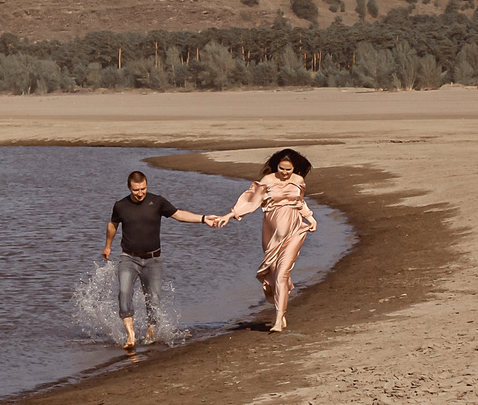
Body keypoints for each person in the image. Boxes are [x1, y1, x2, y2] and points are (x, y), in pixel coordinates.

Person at [102, 170, 210, 351]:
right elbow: (112, 224)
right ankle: (131, 334)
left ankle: (151, 331)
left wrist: (204, 219)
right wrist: (107, 246)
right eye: (136, 190)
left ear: (146, 185)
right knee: (124, 292)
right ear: (129, 187)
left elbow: (178, 214)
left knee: (153, 301)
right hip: (128, 258)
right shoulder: (120, 206)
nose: (140, 193)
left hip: (153, 260)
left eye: (143, 188)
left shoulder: (157, 202)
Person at [217, 148, 319, 332]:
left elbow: (299, 202)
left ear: (294, 168)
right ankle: (281, 305)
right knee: (273, 272)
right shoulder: (267, 181)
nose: (285, 173)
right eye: (282, 168)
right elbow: (250, 201)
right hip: (271, 234)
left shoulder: (298, 181)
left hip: (295, 230)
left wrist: (310, 218)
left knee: (282, 273)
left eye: (289, 169)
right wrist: (229, 215)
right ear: (276, 166)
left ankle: (279, 319)